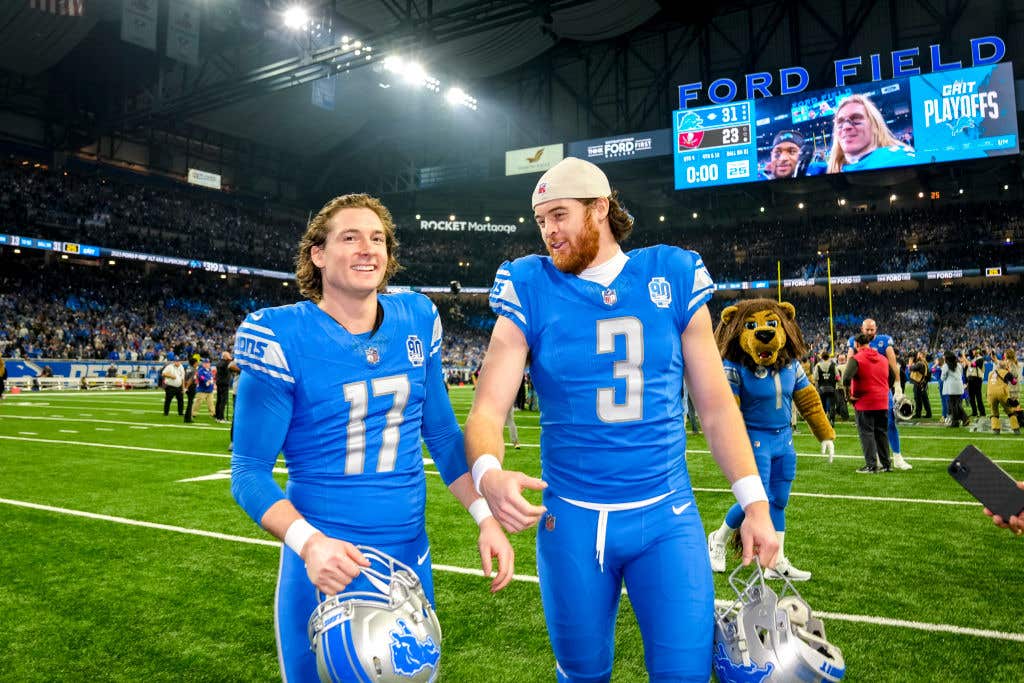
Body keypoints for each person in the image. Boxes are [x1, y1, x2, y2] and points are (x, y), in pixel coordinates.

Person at [464, 157, 778, 683]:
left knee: (684, 674)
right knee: (582, 674)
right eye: (541, 221)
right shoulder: (528, 283)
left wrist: (756, 505)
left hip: (666, 517)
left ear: (601, 208)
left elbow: (716, 405)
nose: (549, 233)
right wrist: (488, 473)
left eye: (559, 215)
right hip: (571, 520)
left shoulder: (672, 273)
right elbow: (488, 408)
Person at [230, 193, 513, 682]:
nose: (368, 249)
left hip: (409, 560)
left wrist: (484, 516)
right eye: (350, 237)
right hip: (325, 564)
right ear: (317, 254)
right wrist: (310, 544)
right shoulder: (282, 334)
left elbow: (443, 436)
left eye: (377, 238)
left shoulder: (417, 318)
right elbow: (248, 474)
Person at [847, 318, 912, 470]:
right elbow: (849, 364)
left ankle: (897, 457)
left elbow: (893, 365)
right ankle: (875, 459)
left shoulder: (884, 341)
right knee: (870, 427)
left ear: (876, 329)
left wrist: (897, 387)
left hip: (881, 390)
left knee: (888, 424)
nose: (869, 332)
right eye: (867, 329)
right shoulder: (854, 342)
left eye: (872, 329)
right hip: (864, 391)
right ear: (862, 329)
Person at [844, 333, 896, 473]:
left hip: (864, 402)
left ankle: (871, 465)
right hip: (882, 401)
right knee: (881, 433)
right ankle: (886, 464)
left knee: (866, 433)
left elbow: (846, 377)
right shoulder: (883, 359)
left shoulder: (856, 358)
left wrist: (849, 395)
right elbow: (892, 377)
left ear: (856, 344)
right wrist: (884, 389)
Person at [826, 94, 916, 173]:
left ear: (874, 126)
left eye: (856, 118)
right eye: (840, 122)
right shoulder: (825, 170)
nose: (845, 127)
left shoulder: (899, 159)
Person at [941, 351, 969, 427]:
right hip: (959, 386)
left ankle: (964, 418)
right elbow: (961, 373)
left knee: (953, 405)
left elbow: (942, 377)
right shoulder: (959, 365)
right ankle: (957, 421)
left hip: (951, 388)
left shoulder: (946, 366)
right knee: (956, 404)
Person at [813, 351, 839, 423]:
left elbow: (815, 378)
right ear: (829, 357)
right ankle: (832, 420)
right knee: (832, 405)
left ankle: (824, 421)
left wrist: (817, 388)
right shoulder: (833, 365)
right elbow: (838, 377)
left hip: (822, 388)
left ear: (821, 357)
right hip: (832, 387)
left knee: (823, 405)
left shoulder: (818, 366)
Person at [909, 351, 932, 419]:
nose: (917, 356)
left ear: (922, 355)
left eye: (918, 354)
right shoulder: (925, 363)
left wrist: (910, 362)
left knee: (918, 399)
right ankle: (929, 413)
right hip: (923, 383)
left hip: (919, 383)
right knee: (925, 399)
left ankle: (918, 414)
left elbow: (911, 368)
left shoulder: (920, 363)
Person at [965, 348, 986, 417]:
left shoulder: (980, 359)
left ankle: (982, 412)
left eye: (974, 350)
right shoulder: (972, 359)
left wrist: (964, 357)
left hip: (977, 379)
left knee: (978, 397)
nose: (972, 352)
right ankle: (974, 412)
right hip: (970, 379)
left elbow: (973, 365)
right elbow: (966, 369)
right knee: (971, 397)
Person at [214, 351, 232, 422]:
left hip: (219, 383)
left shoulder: (219, 363)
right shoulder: (226, 363)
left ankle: (217, 416)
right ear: (225, 356)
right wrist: (229, 358)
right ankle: (221, 417)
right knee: (223, 401)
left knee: (219, 400)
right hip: (224, 383)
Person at [182, 356, 198, 423]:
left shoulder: (187, 368)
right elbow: (191, 379)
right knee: (190, 403)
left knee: (189, 402)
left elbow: (184, 378)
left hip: (187, 386)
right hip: (191, 387)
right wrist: (187, 387)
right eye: (197, 362)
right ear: (194, 363)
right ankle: (188, 418)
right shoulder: (194, 370)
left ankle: (187, 417)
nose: (197, 364)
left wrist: (184, 387)